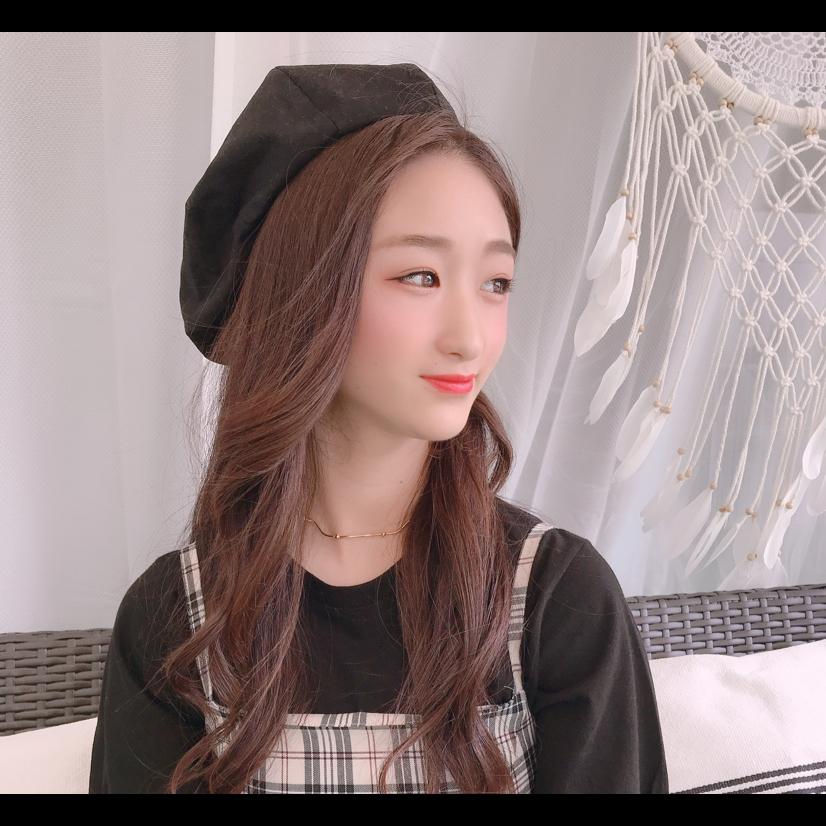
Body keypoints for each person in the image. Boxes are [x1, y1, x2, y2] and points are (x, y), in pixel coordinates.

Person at [89, 62, 669, 794]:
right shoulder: (176, 621)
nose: (470, 338)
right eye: (420, 276)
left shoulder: (557, 599)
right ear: (304, 292)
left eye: (495, 283)